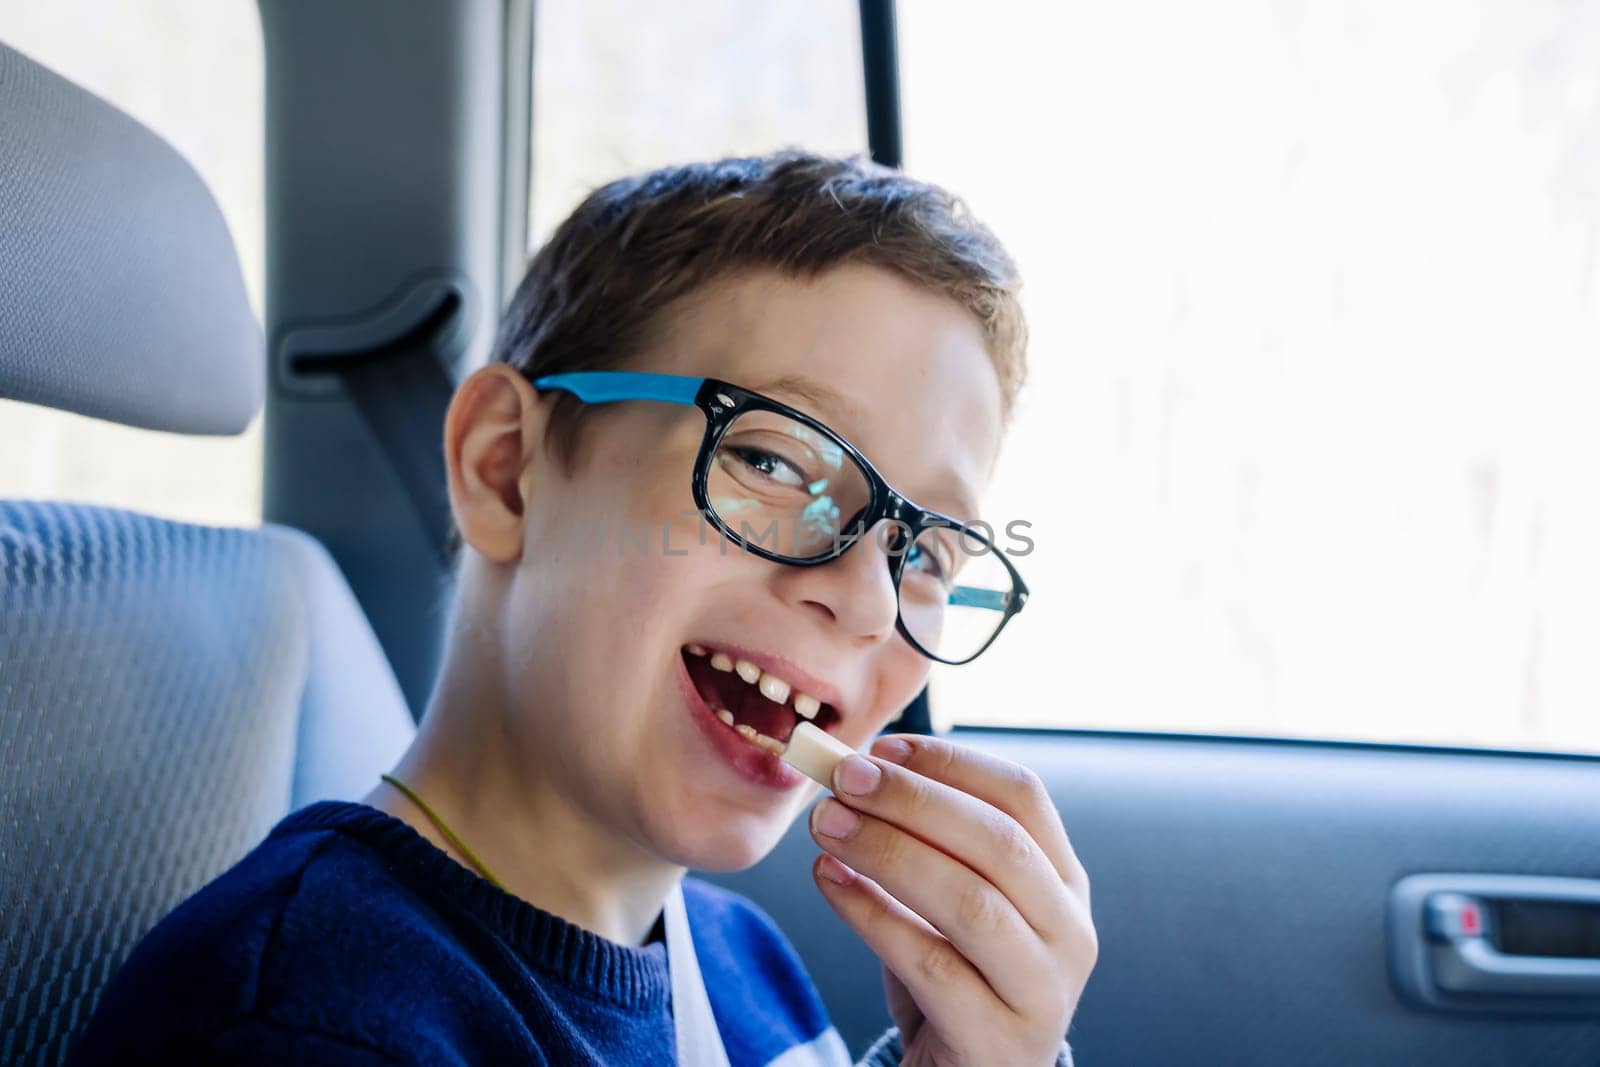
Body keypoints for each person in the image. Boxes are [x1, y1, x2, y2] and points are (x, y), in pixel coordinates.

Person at [69, 151, 1096, 1066]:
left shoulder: (748, 969)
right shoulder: (310, 1021)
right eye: (774, 460)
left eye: (924, 549)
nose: (869, 598)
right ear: (507, 469)